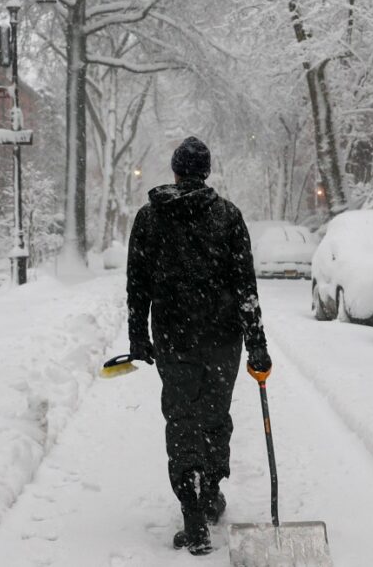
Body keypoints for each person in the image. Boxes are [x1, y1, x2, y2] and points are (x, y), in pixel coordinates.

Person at [126, 136, 272, 556]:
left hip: (174, 337)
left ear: (175, 171)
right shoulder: (228, 217)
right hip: (222, 339)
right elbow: (246, 287)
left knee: (181, 418)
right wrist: (256, 343)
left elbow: (138, 284)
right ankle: (208, 490)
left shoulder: (150, 218)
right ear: (206, 172)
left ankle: (192, 509)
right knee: (213, 416)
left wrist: (139, 335)